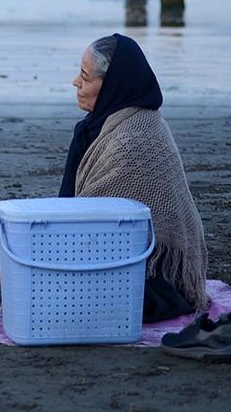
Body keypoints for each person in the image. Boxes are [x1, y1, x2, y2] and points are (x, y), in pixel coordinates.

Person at [63, 33, 208, 322]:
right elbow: (67, 205)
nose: (75, 83)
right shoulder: (92, 128)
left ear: (111, 85)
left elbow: (88, 219)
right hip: (113, 251)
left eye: (85, 76)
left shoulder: (135, 138)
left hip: (152, 271)